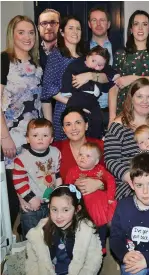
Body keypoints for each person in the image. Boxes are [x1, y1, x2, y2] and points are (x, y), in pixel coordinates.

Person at [1, 15, 43, 226]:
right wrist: (4, 137)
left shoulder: (37, 64)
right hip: (9, 140)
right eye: (21, 32)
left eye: (31, 32)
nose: (27, 37)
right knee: (9, 198)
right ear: (12, 35)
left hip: (33, 141)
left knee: (30, 196)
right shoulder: (3, 60)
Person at [25, 184, 102, 275]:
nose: (59, 216)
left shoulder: (87, 231)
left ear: (77, 209)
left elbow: (92, 263)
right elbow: (31, 264)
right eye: (54, 210)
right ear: (49, 207)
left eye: (65, 210)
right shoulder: (38, 232)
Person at [110, 10, 149, 121]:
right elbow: (113, 88)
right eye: (136, 24)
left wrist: (133, 79)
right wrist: (112, 117)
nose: (141, 28)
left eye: (145, 24)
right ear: (131, 29)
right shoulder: (121, 53)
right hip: (125, 110)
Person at [13, 118, 62, 238]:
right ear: (28, 139)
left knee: (51, 235)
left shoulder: (56, 153)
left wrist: (59, 193)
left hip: (51, 203)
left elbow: (57, 174)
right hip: (31, 205)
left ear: (51, 139)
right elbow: (19, 182)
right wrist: (30, 198)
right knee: (32, 237)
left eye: (45, 135)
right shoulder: (22, 159)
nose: (40, 138)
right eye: (35, 135)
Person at [65, 142, 116, 254]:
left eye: (88, 156)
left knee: (101, 225)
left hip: (99, 209)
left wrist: (110, 199)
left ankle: (101, 245)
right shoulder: (72, 171)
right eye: (81, 154)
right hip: (82, 208)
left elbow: (111, 180)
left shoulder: (100, 170)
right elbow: (66, 189)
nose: (83, 157)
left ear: (96, 161)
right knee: (80, 228)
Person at [41, 15, 85, 141]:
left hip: (84, 110)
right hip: (64, 109)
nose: (75, 32)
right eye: (70, 28)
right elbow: (48, 87)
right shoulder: (57, 55)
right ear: (62, 32)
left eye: (78, 28)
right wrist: (72, 102)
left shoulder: (85, 56)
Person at [60, 45, 117, 138]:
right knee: (75, 117)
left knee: (97, 118)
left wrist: (115, 75)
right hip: (78, 97)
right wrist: (66, 91)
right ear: (87, 57)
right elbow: (67, 75)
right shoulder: (77, 65)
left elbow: (111, 74)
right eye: (93, 61)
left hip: (93, 101)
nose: (95, 66)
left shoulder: (101, 71)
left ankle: (98, 136)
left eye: (100, 65)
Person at [53, 107, 105, 195]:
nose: (73, 128)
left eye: (78, 122)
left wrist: (100, 184)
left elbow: (114, 175)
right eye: (68, 124)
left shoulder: (101, 146)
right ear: (63, 129)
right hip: (66, 202)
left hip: (97, 200)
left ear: (86, 125)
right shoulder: (55, 149)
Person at [87, 6, 120, 129]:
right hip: (89, 111)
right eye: (94, 20)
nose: (98, 24)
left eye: (102, 20)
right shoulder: (82, 49)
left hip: (116, 110)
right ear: (89, 24)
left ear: (109, 24)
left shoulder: (120, 48)